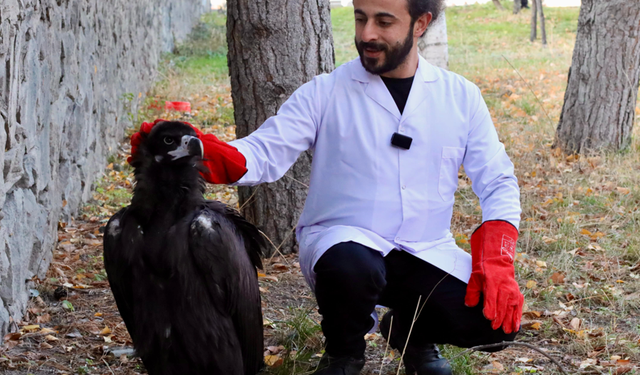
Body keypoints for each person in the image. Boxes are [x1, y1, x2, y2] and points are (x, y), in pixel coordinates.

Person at [130, 0, 524, 374]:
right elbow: (264, 151)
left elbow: (497, 180)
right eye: (359, 17)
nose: (367, 33)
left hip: (424, 248)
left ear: (420, 24)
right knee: (353, 267)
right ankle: (344, 355)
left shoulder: (460, 97)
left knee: (493, 323)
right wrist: (201, 151)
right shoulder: (326, 91)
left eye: (384, 21)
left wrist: (498, 258)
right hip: (345, 242)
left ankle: (410, 334)